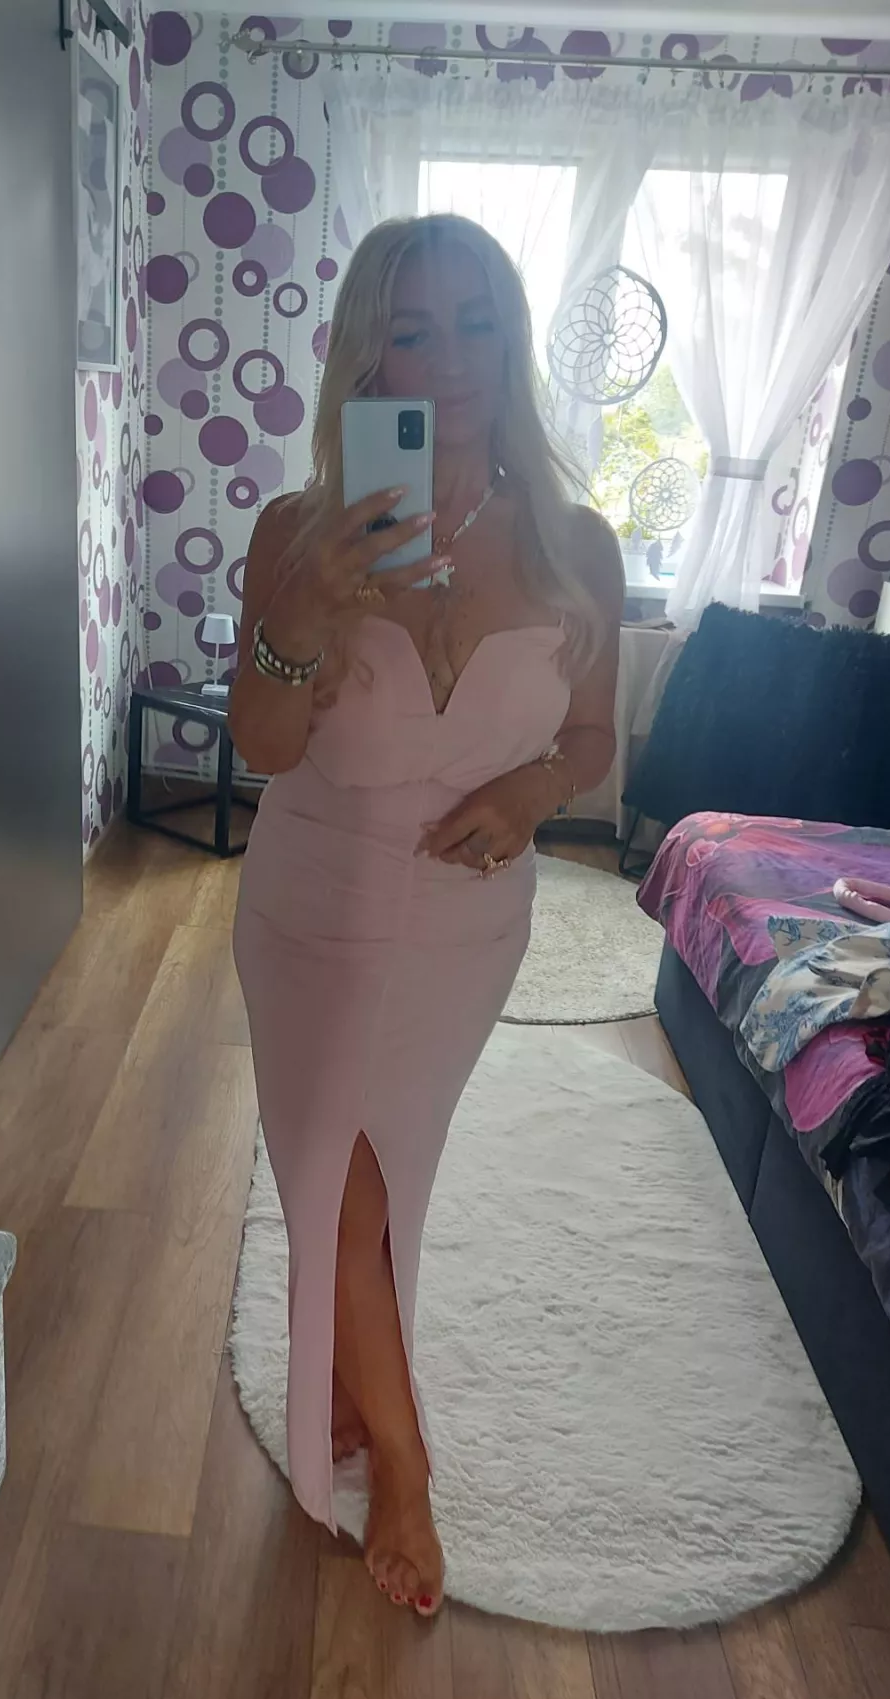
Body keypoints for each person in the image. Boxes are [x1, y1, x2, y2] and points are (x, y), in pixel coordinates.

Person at [229, 213, 622, 1617]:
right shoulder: (301, 532)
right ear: (367, 354)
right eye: (412, 329)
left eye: (476, 324)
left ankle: (355, 1376)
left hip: (467, 926)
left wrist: (531, 790)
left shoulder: (576, 544)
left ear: (511, 342)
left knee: (394, 1166)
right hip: (312, 909)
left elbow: (594, 739)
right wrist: (299, 616)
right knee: (334, 1169)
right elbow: (262, 743)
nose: (448, 358)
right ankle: (406, 1462)